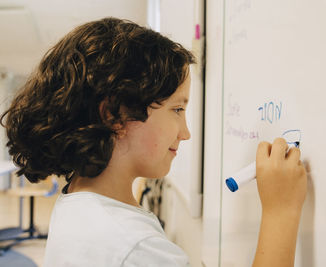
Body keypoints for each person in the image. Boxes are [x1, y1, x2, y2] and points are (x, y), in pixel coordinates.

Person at [1, 17, 307, 267]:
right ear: (114, 116)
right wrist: (281, 213)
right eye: (177, 109)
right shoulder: (132, 245)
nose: (186, 132)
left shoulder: (79, 201)